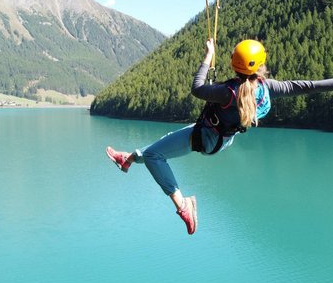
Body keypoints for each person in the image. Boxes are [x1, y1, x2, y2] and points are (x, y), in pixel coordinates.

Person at [106, 38, 333, 236]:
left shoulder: (227, 92)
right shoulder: (267, 88)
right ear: (260, 65)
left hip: (206, 136)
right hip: (219, 136)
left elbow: (197, 88)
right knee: (168, 140)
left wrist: (208, 57)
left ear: (235, 64)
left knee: (155, 155)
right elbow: (308, 86)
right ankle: (129, 159)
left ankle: (183, 204)